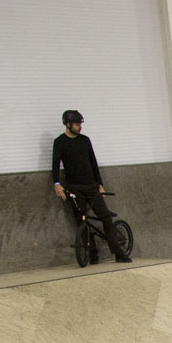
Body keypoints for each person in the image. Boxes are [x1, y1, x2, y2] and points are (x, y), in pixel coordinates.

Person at [51, 109, 131, 263]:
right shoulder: (59, 142)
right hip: (74, 187)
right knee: (81, 221)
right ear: (68, 125)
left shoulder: (85, 140)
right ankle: (92, 253)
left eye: (80, 124)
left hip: (91, 186)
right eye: (76, 124)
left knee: (105, 217)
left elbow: (93, 163)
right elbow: (55, 164)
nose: (79, 127)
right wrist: (57, 184)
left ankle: (119, 253)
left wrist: (100, 184)